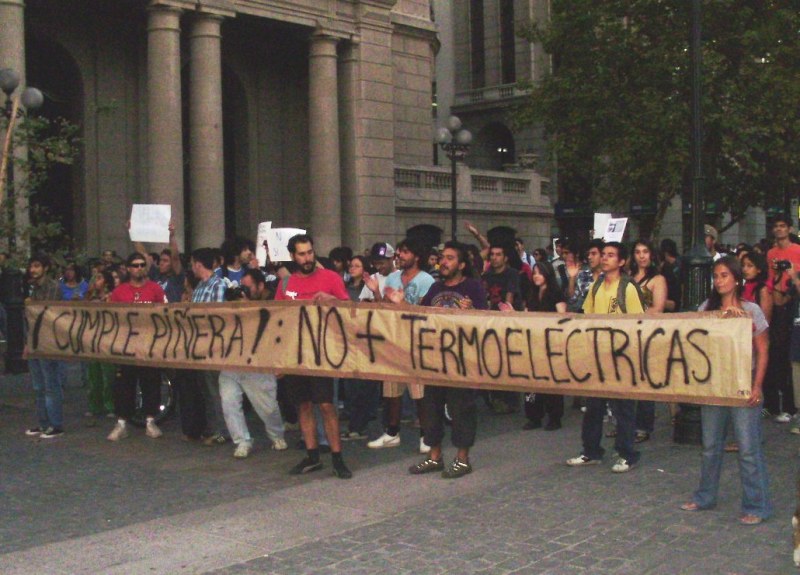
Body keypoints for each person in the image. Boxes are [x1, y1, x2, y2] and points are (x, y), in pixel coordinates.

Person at [680, 256, 771, 525]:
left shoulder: (752, 310)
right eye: (716, 276)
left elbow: (763, 351)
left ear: (736, 279)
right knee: (710, 445)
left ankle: (757, 504)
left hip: (743, 383)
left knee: (747, 448)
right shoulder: (706, 308)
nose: (719, 281)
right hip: (715, 384)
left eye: (724, 275)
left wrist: (757, 385)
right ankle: (705, 495)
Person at [275, 234, 353, 479]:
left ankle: (337, 457)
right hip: (296, 354)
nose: (307, 258)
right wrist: (279, 358)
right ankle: (312, 455)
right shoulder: (285, 285)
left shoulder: (331, 278)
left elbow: (350, 311)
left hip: (323, 353)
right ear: (292, 256)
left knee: (327, 405)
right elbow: (279, 320)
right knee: (304, 405)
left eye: (310, 252)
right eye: (301, 254)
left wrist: (333, 300)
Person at [409, 241, 488, 479]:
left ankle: (462, 459)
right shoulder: (434, 289)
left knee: (461, 409)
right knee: (430, 408)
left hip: (462, 362)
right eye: (443, 257)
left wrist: (472, 310)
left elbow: (488, 322)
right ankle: (434, 456)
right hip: (435, 360)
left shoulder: (473, 287)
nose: (444, 262)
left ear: (462, 265)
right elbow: (420, 316)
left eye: (450, 258)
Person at [567, 241, 645, 473]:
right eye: (604, 255)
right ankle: (591, 451)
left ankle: (627, 453)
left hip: (622, 357)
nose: (605, 258)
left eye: (611, 255)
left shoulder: (628, 288)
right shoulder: (597, 286)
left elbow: (638, 322)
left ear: (621, 262)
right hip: (598, 355)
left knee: (623, 408)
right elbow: (587, 316)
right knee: (594, 407)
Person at [367, 238, 435, 453]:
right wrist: (376, 292)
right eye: (399, 252)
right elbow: (384, 309)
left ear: (416, 256)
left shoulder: (426, 280)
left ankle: (427, 435)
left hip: (416, 342)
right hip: (394, 340)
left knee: (419, 392)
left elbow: (425, 314)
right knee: (391, 391)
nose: (400, 256)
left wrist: (402, 303)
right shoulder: (393, 277)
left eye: (405, 252)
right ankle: (392, 432)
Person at [218, 269, 287, 458]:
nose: (244, 291)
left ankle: (276, 434)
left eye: (248, 287)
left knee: (267, 406)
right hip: (231, 362)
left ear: (260, 286)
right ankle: (242, 440)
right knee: (229, 402)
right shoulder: (227, 309)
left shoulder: (269, 307)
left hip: (258, 363)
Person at [106, 253, 168, 441]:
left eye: (142, 265)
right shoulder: (119, 291)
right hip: (127, 346)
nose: (139, 268)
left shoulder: (155, 289)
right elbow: (111, 317)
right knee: (124, 385)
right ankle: (122, 423)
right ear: (128, 268)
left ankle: (150, 420)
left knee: (151, 383)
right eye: (135, 265)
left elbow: (165, 314)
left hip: (149, 345)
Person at [629, 239, 668, 443]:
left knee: (644, 379)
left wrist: (635, 312)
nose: (642, 255)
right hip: (628, 333)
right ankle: (626, 423)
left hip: (647, 333)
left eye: (645, 251)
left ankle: (643, 425)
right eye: (637, 252)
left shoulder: (657, 279)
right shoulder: (628, 277)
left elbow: (658, 308)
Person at [24, 254, 66, 439]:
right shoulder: (34, 288)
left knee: (50, 385)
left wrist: (31, 305)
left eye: (37, 266)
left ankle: (55, 424)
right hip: (34, 341)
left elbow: (46, 314)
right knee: (38, 386)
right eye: (31, 266)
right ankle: (43, 423)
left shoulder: (52, 287)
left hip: (48, 342)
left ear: (45, 268)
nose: (33, 270)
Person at [190, 247, 229, 445]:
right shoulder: (199, 287)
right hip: (199, 345)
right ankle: (213, 426)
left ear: (198, 264)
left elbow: (218, 315)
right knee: (206, 389)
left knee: (216, 390)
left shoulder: (218, 284)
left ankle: (222, 430)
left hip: (213, 345)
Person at [521, 260, 566, 430]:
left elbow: (562, 316)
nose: (536, 276)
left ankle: (554, 417)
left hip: (551, 343)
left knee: (551, 382)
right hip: (533, 342)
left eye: (539, 272)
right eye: (534, 273)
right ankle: (534, 416)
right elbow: (525, 315)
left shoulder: (555, 292)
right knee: (531, 383)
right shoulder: (531, 293)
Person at [765, 215, 800, 422]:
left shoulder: (797, 250)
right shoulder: (771, 253)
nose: (779, 230)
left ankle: (790, 406)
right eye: (776, 227)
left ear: (789, 228)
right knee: (777, 356)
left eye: (782, 226)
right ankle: (775, 405)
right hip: (777, 302)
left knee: (790, 358)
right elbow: (771, 280)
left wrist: (792, 273)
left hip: (793, 303)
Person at [481, 242, 522, 414]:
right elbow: (484, 294)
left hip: (507, 320)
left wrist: (507, 316)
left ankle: (511, 400)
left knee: (509, 360)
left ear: (505, 258)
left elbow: (510, 296)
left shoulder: (511, 274)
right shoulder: (487, 275)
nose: (494, 258)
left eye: (498, 254)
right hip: (491, 320)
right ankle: (497, 397)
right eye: (492, 254)